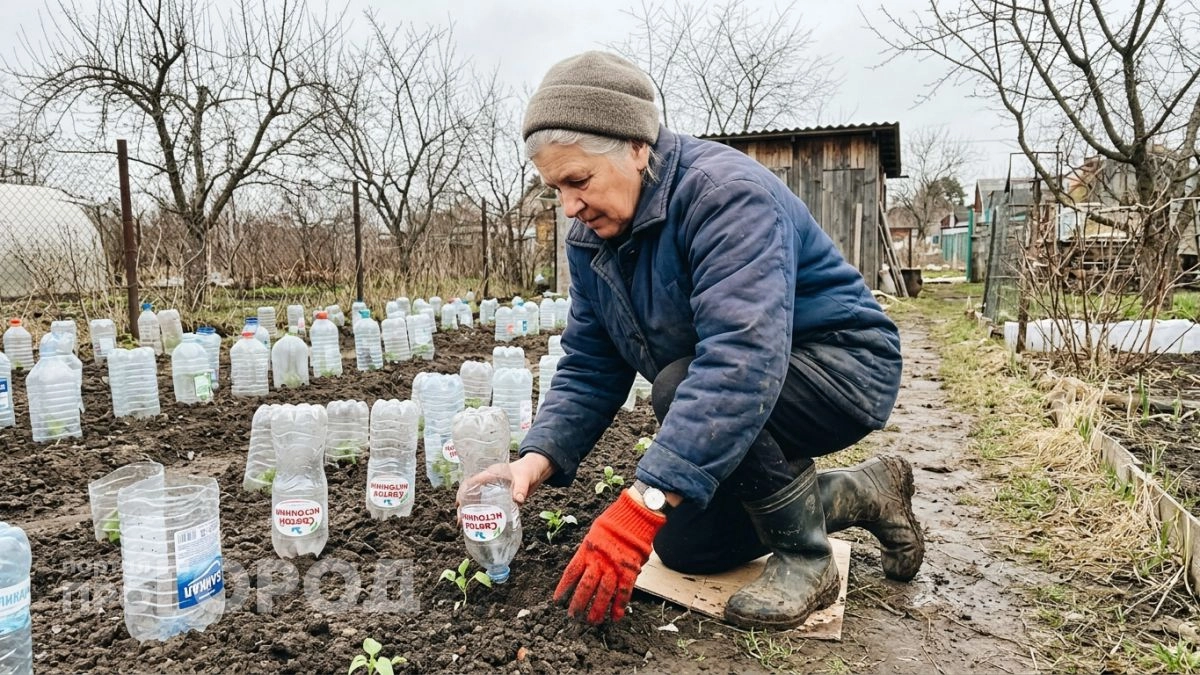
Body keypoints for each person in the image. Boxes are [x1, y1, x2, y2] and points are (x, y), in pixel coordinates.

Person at [505, 50, 924, 630]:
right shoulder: (591, 236)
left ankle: (807, 559)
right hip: (744, 378)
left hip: (841, 368)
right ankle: (864, 491)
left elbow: (741, 360)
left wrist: (643, 502)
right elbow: (589, 362)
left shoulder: (723, 195)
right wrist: (537, 456)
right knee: (687, 547)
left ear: (636, 146)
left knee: (678, 388)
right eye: (555, 188)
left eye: (578, 180)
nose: (569, 205)